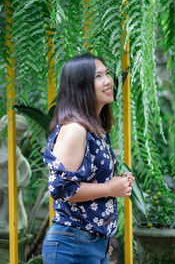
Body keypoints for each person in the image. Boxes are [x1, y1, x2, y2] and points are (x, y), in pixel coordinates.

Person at [42, 53, 134, 264]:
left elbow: (89, 180)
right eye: (98, 76)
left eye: (107, 74)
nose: (108, 80)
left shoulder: (96, 129)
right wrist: (110, 188)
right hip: (73, 245)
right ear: (80, 85)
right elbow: (60, 188)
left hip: (92, 244)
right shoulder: (75, 128)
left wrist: (117, 182)